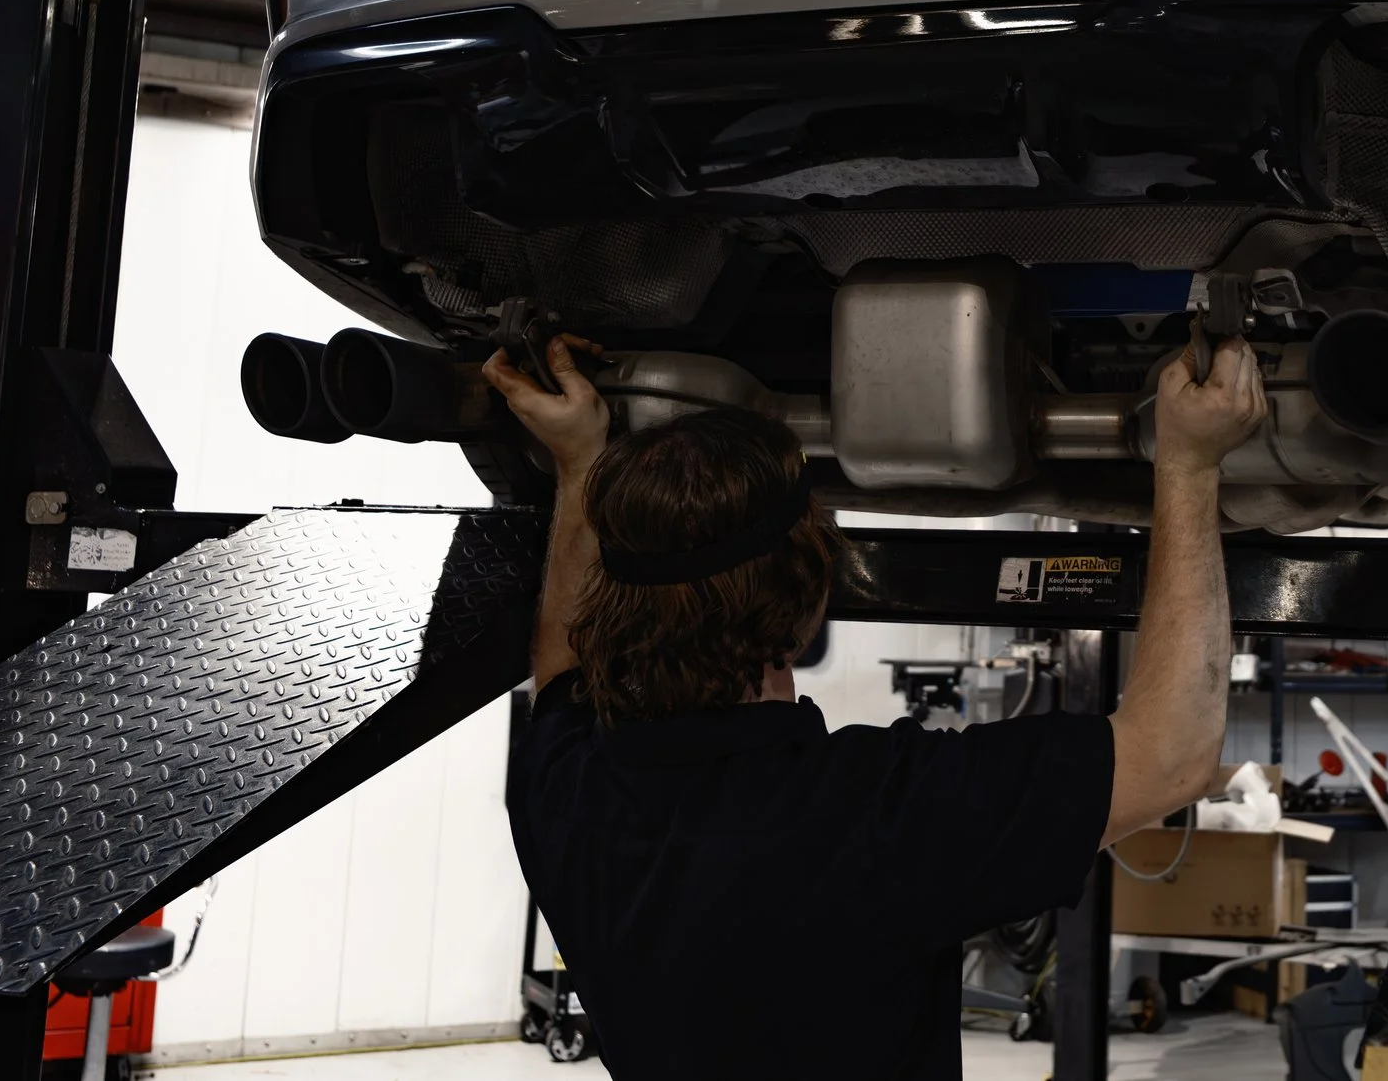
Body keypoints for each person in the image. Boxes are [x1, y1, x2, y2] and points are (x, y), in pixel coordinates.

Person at [483, 331, 1269, 1077]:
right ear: (807, 603)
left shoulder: (565, 789)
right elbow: (1172, 755)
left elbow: (558, 666)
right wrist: (1192, 465)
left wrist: (580, 461)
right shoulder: (866, 814)